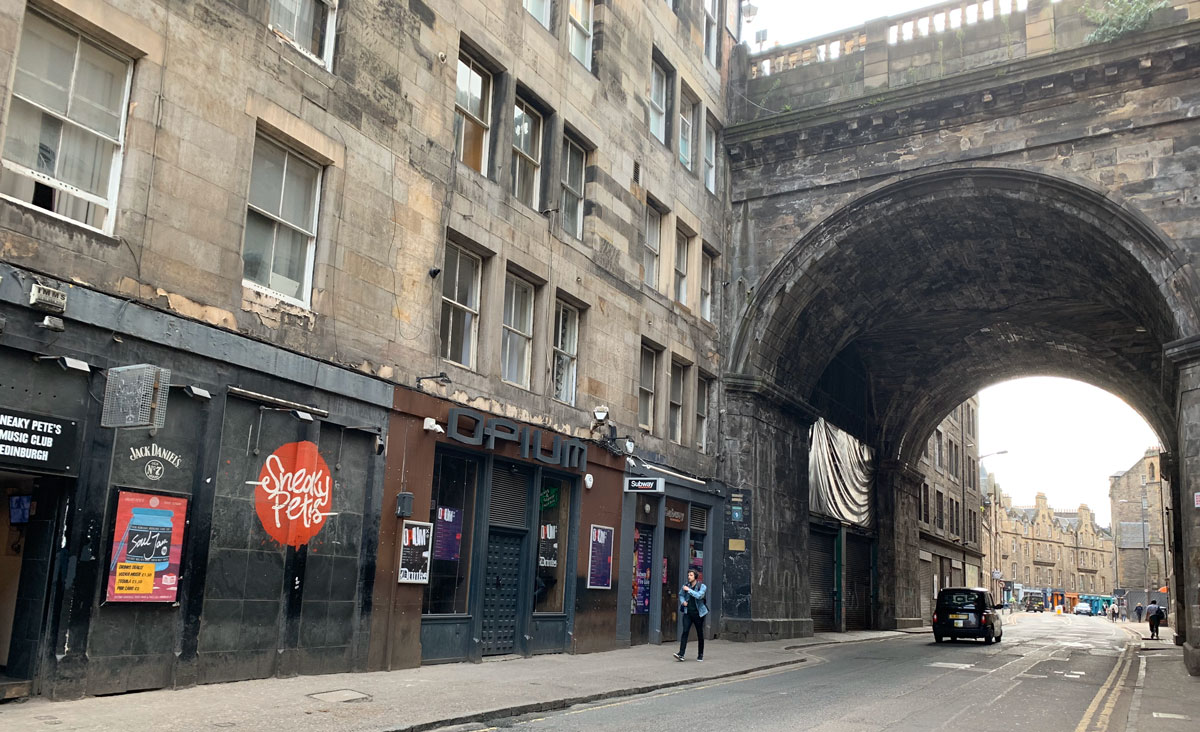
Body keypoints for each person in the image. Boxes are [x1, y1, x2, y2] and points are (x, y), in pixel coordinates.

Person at [674, 569, 708, 662]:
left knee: (699, 633)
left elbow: (699, 596)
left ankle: (700, 654)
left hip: (699, 614)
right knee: (685, 631)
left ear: (695, 577)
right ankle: (681, 654)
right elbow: (681, 594)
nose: (689, 577)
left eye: (691, 575)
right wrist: (683, 601)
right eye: (688, 575)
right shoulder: (686, 585)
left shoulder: (702, 586)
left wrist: (689, 590)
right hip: (687, 613)